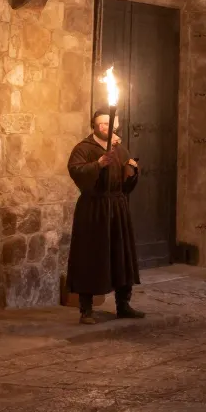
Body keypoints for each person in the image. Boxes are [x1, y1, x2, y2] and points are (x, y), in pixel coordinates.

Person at [66, 110, 143, 323]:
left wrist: (132, 171)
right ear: (94, 125)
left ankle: (123, 305)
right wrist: (98, 164)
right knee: (90, 255)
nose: (105, 127)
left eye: (109, 123)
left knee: (121, 253)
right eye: (101, 123)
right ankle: (86, 309)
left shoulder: (120, 148)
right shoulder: (83, 148)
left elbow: (127, 182)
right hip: (94, 208)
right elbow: (76, 171)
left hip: (117, 207)